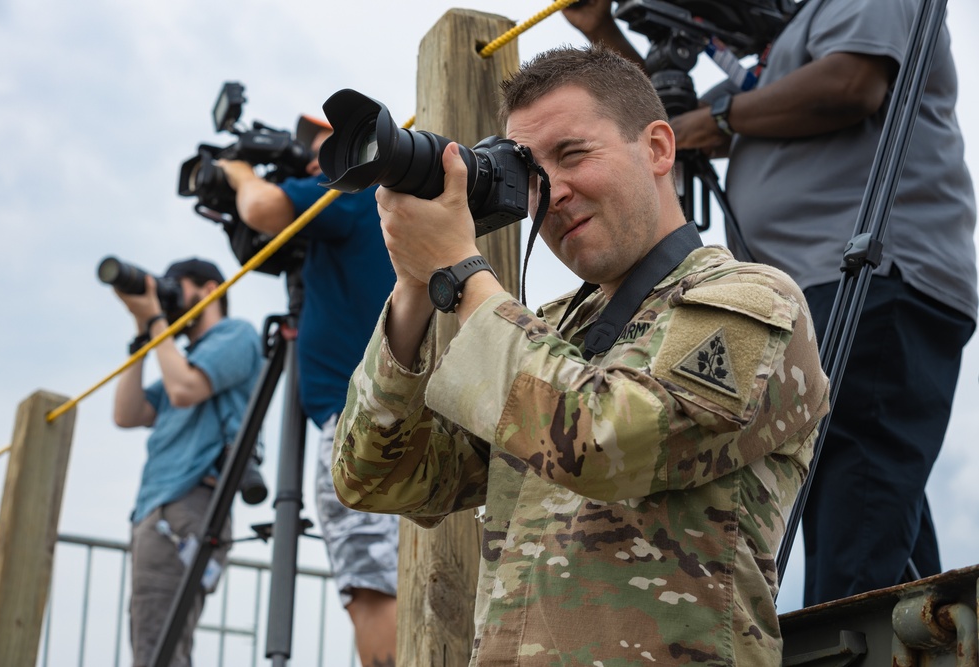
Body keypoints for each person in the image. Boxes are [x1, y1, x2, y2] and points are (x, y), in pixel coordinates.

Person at [332, 45, 829, 665]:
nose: (554, 192)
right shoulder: (540, 334)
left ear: (656, 149)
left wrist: (462, 271)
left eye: (573, 154)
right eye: (533, 175)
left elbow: (610, 439)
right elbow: (376, 478)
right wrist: (414, 286)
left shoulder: (752, 299)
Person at [565, 0, 978, 605]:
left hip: (874, 275)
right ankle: (913, 629)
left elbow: (850, 83)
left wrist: (722, 118)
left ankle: (849, 635)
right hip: (826, 285)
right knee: (871, 494)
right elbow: (670, 130)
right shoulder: (787, 41)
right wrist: (603, 30)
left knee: (856, 480)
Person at [219, 115, 398, 667]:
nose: (306, 158)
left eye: (312, 145)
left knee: (373, 585)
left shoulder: (352, 184)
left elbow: (260, 211)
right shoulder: (383, 196)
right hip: (389, 411)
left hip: (360, 421)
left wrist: (239, 173)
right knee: (397, 573)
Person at [112, 257, 263, 667]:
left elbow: (184, 390)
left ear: (210, 290)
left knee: (157, 651)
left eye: (178, 288)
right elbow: (128, 413)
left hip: (187, 507)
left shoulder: (236, 335)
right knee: (156, 644)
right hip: (159, 510)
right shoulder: (181, 359)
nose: (171, 300)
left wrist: (157, 321)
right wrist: (143, 334)